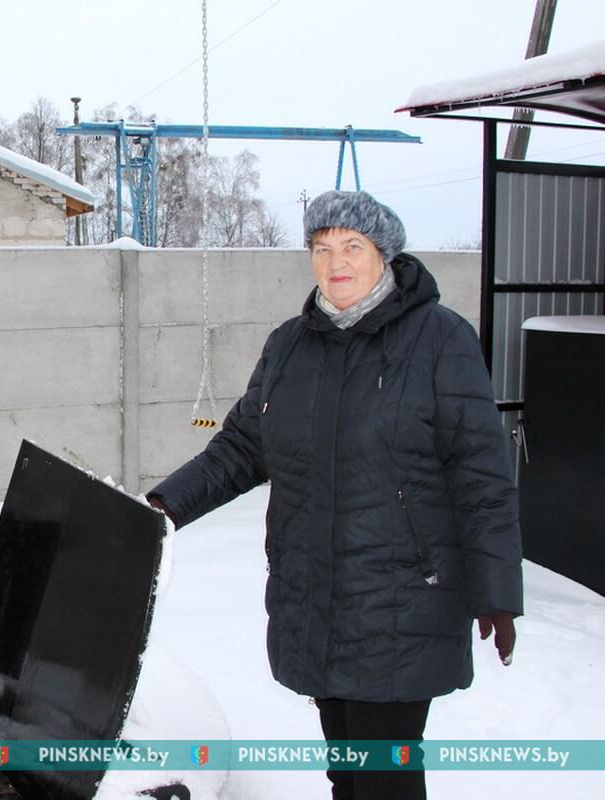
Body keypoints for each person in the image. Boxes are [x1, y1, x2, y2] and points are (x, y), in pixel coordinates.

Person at [148, 191, 522, 800]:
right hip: (314, 595)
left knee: (384, 779)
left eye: (352, 246)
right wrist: (165, 506)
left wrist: (498, 591)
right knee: (347, 772)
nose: (335, 261)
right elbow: (242, 446)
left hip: (402, 602)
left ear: (385, 255)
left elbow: (482, 477)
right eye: (322, 248)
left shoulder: (440, 341)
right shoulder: (291, 345)